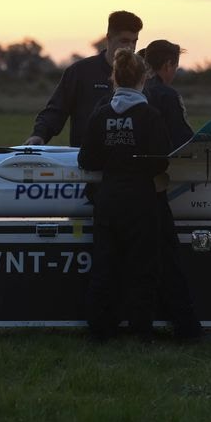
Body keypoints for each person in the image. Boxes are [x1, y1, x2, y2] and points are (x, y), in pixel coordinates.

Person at [77, 49, 171, 342]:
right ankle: (140, 329)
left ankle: (100, 329)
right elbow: (161, 160)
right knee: (143, 266)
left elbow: (87, 160)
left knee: (105, 264)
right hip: (142, 199)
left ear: (114, 78)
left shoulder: (101, 113)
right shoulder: (150, 115)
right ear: (144, 79)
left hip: (108, 199)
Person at [140, 40, 203, 341]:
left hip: (119, 189)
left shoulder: (131, 91)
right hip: (152, 188)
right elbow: (184, 141)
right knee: (168, 259)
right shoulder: (165, 94)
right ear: (168, 65)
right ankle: (187, 329)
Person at [25, 10, 143, 147]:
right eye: (124, 41)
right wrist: (39, 135)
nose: (130, 47)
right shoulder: (80, 72)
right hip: (86, 160)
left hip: (129, 162)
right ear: (109, 38)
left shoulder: (141, 74)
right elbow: (57, 109)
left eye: (134, 42)